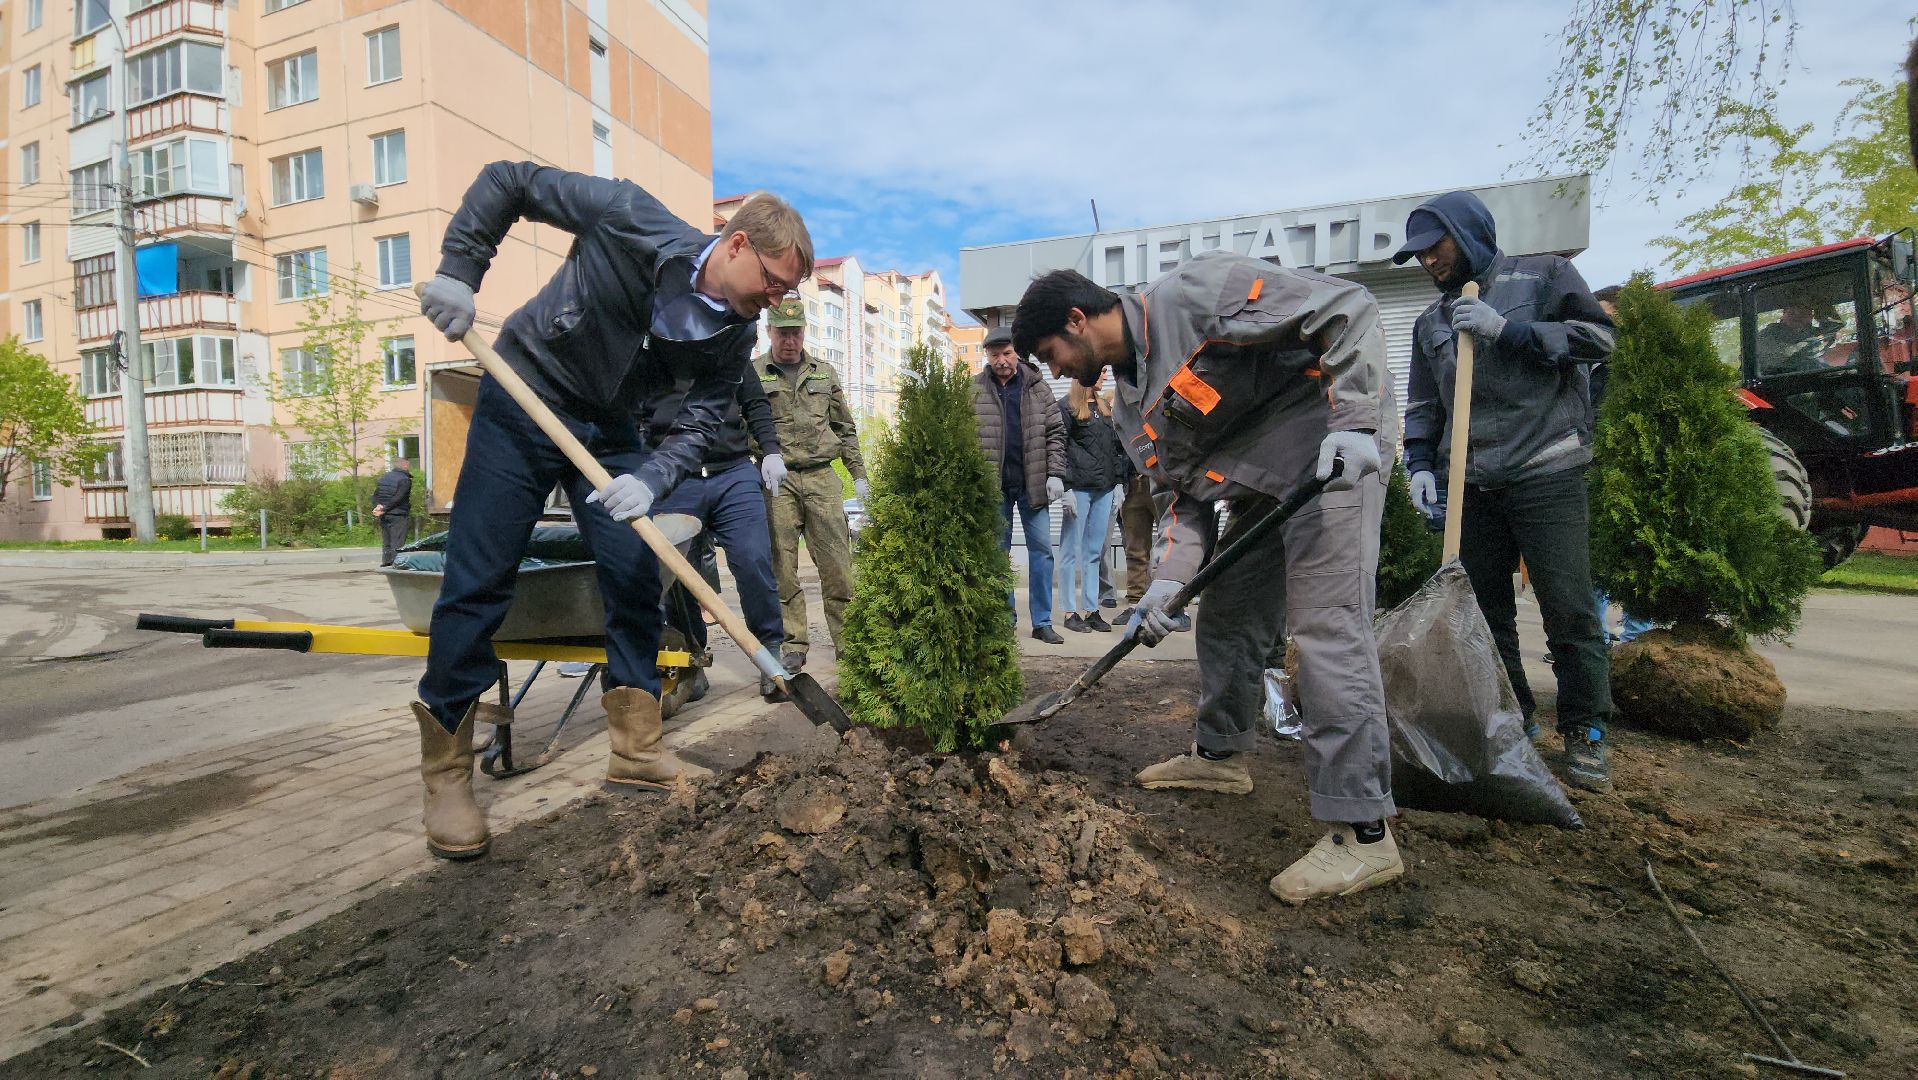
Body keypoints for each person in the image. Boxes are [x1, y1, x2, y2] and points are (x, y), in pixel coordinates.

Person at [411, 164, 811, 860]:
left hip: (615, 431)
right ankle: (446, 769)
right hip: (525, 393)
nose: (776, 302)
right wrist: (460, 272)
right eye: (773, 283)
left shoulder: (731, 336)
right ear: (739, 244)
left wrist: (655, 477)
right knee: (479, 579)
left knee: (633, 575)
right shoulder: (629, 214)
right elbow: (510, 182)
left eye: (788, 294)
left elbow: (700, 422)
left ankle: (636, 747)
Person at [1013, 253, 1401, 905]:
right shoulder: (1131, 411)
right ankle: (1220, 757)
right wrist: (1168, 583)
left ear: (1077, 321)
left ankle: (1363, 835)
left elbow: (1347, 308)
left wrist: (1357, 422)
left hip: (1334, 454)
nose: (1055, 372)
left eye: (1051, 354)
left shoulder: (1194, 295)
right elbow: (1185, 505)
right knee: (1226, 614)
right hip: (1261, 484)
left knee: (1326, 630)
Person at [1398, 189, 1617, 793]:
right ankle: (1515, 719)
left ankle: (1586, 732)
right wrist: (1419, 464)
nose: (1427, 263)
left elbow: (1597, 341)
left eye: (1433, 248)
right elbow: (1423, 404)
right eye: (1417, 255)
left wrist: (1509, 331)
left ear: (1466, 235)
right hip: (1471, 483)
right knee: (1486, 613)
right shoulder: (1430, 323)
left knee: (1568, 608)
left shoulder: (1543, 275)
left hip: (1546, 467)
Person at [644, 352, 790, 702]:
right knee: (678, 576)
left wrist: (770, 451)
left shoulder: (729, 346)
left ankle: (770, 654)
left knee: (753, 559)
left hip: (733, 473)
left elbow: (755, 404)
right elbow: (634, 414)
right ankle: (692, 665)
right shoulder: (652, 354)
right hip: (676, 477)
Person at [756, 297, 864, 675]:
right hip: (777, 481)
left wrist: (860, 475)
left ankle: (850, 646)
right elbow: (741, 428)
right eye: (783, 333)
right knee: (783, 567)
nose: (790, 340)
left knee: (838, 566)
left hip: (822, 478)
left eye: (796, 332)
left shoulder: (824, 373)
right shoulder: (755, 374)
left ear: (804, 332)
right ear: (769, 331)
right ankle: (793, 644)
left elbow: (845, 429)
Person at [972, 327, 1069, 644]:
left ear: (1017, 353)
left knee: (1041, 552)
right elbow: (964, 438)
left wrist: (1056, 473)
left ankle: (1042, 622)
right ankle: (1004, 619)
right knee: (998, 555)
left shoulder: (1038, 388)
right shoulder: (974, 390)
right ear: (987, 355)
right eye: (995, 354)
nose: (1001, 360)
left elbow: (1056, 433)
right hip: (993, 488)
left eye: (1007, 353)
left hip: (1033, 486)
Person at [1587, 285, 1654, 647]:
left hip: (1630, 475)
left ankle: (1637, 639)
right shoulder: (1587, 364)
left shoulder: (1637, 367)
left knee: (1637, 554)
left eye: (1606, 318)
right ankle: (1594, 640)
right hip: (1592, 473)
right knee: (1593, 558)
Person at [1057, 376, 1128, 633]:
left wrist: (1119, 482)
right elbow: (1058, 448)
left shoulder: (1105, 408)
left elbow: (1115, 448)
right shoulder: (1066, 407)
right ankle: (1068, 611)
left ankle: (1091, 609)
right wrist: (1065, 488)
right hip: (1079, 488)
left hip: (1105, 488)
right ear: (1085, 374)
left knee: (1094, 552)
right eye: (1101, 372)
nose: (1106, 376)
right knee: (1069, 551)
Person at [1114, 471, 1155, 623]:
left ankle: (1176, 606)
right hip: (1131, 482)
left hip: (1163, 480)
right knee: (1135, 548)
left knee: (1172, 545)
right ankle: (1135, 604)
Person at [371, 457, 413, 566]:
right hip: (398, 513)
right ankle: (396, 562)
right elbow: (399, 497)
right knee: (397, 539)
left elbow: (376, 495)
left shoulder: (384, 477)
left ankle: (386, 561)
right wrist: (384, 508)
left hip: (384, 514)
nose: (409, 467)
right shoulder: (405, 479)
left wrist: (379, 507)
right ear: (404, 465)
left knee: (387, 539)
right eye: (408, 465)